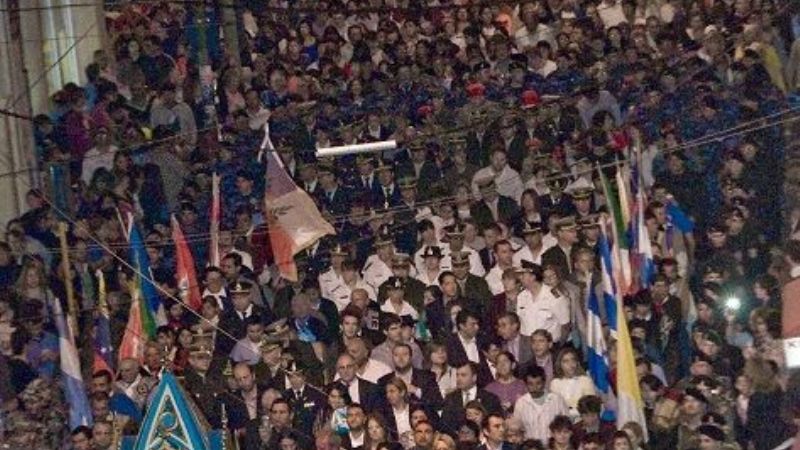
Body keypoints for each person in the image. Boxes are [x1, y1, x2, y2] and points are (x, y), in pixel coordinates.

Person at [513, 365, 569, 443]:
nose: (534, 387)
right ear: (526, 384)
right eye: (530, 384)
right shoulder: (521, 403)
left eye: (538, 383)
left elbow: (566, 425)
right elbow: (517, 429)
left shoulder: (557, 400)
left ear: (544, 382)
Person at [549, 347, 596, 420]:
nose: (570, 364)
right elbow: (556, 408)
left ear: (577, 362)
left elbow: (590, 406)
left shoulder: (586, 381)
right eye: (566, 361)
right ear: (560, 364)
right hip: (562, 422)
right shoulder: (555, 383)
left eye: (573, 360)